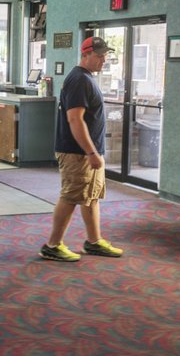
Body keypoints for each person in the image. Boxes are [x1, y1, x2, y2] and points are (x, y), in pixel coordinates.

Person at [39, 36, 124, 262]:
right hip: (77, 153)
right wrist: (91, 152)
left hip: (88, 151)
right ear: (85, 54)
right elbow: (75, 120)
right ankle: (52, 245)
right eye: (99, 56)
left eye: (105, 56)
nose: (103, 60)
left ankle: (94, 242)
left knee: (91, 196)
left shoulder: (87, 78)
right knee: (71, 197)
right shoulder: (79, 80)